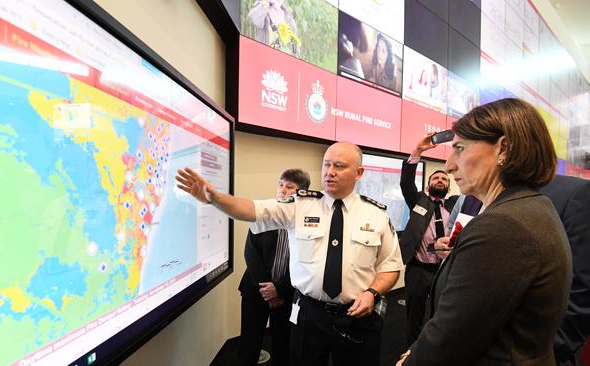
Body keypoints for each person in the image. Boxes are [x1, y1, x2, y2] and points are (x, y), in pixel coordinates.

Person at [176, 142, 403, 366]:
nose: (330, 172)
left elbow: (390, 267)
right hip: (308, 315)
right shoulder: (300, 205)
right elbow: (252, 209)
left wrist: (373, 293)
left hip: (356, 316)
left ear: (359, 173)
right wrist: (215, 198)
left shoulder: (377, 216)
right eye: (326, 165)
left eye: (340, 166)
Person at [396, 98, 572, 366]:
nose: (448, 165)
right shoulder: (531, 206)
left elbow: (451, 339)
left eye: (460, 148)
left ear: (503, 148)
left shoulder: (501, 225)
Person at [237, 168, 310, 366]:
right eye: (280, 185)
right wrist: (267, 288)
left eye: (289, 187)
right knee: (249, 343)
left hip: (287, 293)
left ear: (301, 192)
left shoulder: (308, 220)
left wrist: (278, 289)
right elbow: (250, 253)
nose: (282, 190)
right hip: (255, 290)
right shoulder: (266, 214)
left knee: (283, 344)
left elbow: (308, 260)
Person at [399, 139, 459, 345]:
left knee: (441, 314)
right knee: (414, 314)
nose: (441, 180)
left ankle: (436, 350)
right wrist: (417, 151)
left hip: (446, 270)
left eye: (444, 178)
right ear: (428, 185)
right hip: (418, 269)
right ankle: (412, 351)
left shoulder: (455, 204)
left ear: (449, 186)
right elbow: (406, 182)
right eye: (436, 178)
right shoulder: (418, 200)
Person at [540, 174, 590, 366]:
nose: (451, 165)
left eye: (461, 147)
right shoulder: (471, 199)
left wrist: (548, 353)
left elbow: (582, 288)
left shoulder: (574, 193)